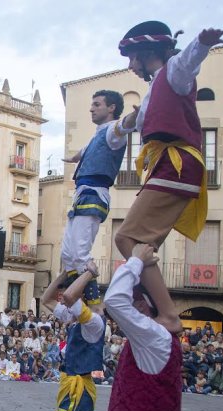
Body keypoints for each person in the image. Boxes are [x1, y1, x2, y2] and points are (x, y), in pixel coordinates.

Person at [113, 22, 223, 335]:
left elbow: (188, 61)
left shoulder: (173, 72)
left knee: (126, 238)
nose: (130, 65)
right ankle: (152, 305)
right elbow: (140, 122)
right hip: (169, 164)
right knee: (139, 244)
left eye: (132, 57)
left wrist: (202, 43)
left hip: (176, 164)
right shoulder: (157, 87)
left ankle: (166, 313)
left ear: (147, 51)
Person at [103, 244, 184, 411]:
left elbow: (114, 300)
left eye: (133, 301)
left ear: (141, 305)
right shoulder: (154, 336)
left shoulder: (153, 336)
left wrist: (136, 260)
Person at [61, 90, 134, 305]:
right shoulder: (98, 135)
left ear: (111, 108)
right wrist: (74, 158)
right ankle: (78, 303)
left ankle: (94, 307)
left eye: (96, 104)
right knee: (67, 254)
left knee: (80, 253)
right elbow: (82, 152)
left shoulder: (112, 131)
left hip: (94, 193)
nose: (91, 109)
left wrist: (137, 115)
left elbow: (124, 126)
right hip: (82, 195)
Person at [41, 264, 105, 411]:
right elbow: (46, 299)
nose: (63, 299)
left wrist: (88, 273)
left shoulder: (94, 323)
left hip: (77, 393)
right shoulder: (76, 320)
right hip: (74, 391)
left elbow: (68, 297)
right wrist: (63, 273)